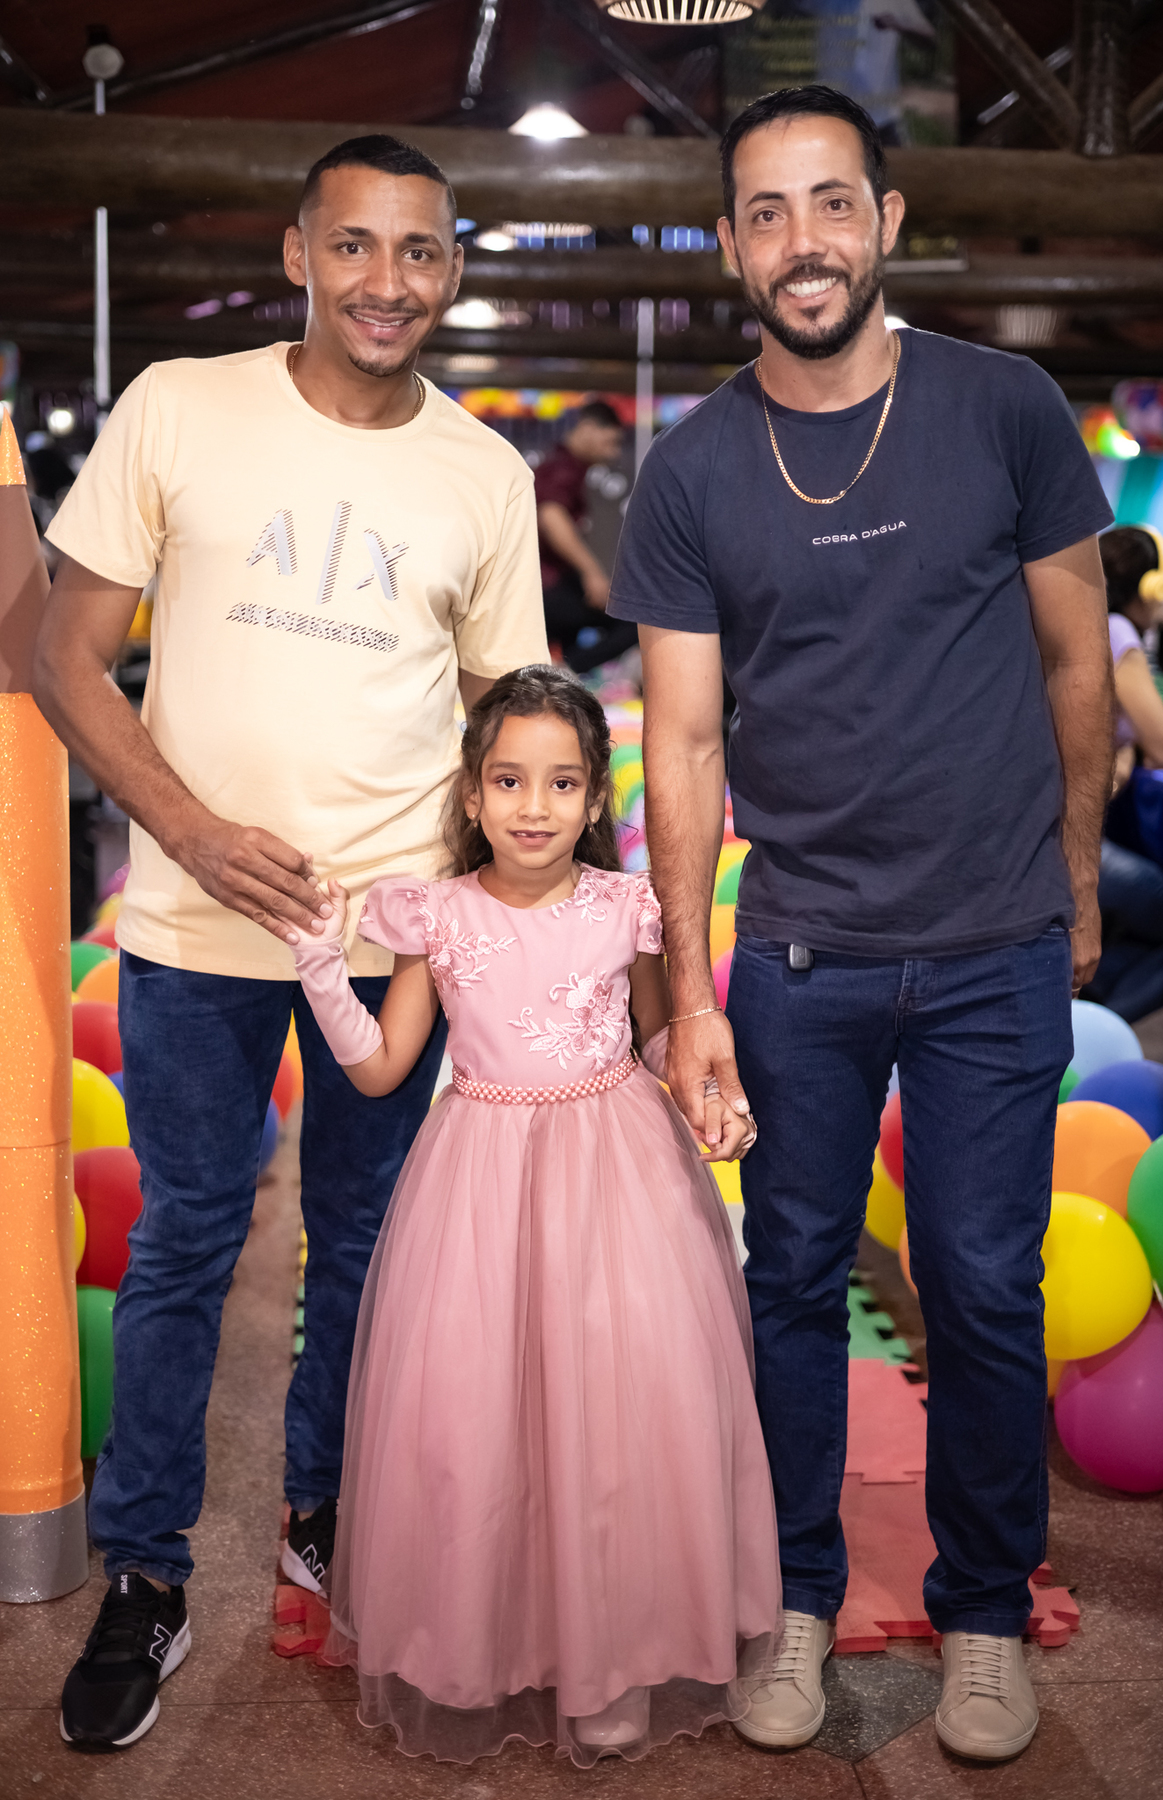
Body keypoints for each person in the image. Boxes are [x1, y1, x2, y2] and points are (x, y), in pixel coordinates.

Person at [608, 85, 1115, 1763]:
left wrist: (1073, 884)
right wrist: (693, 994)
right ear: (728, 247)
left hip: (991, 944)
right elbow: (684, 745)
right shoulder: (694, 471)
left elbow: (1076, 666)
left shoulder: (1005, 408)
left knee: (980, 1287)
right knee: (793, 1283)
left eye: (831, 202)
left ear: (887, 221)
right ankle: (795, 1600)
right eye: (765, 212)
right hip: (801, 954)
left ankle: (983, 1613)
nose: (802, 241)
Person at [35, 133, 549, 1751]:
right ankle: (147, 1574)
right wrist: (187, 830)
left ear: (451, 270)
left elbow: (507, 722)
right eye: (355, 245)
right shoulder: (181, 407)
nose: (387, 282)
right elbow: (58, 652)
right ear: (298, 253)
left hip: (389, 937)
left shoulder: (484, 473)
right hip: (196, 923)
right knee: (187, 1241)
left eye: (420, 251)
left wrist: (503, 926)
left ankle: (327, 1514)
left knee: (368, 1248)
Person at [278, 666, 780, 1766]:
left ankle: (612, 1658)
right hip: (481, 1183)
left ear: (596, 796)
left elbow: (658, 1039)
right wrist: (321, 973)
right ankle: (495, 1640)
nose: (534, 806)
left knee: (618, 1415)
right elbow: (383, 1067)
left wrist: (709, 1095)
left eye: (561, 782)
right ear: (471, 794)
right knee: (483, 1416)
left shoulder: (627, 908)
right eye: (508, 781)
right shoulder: (436, 916)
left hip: (617, 1175)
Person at [1084, 526, 1163, 1021]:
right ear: (1149, 587)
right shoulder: (1117, 630)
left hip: (1049, 839)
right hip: (1084, 844)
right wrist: (1128, 749)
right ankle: (1096, 1033)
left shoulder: (1083, 623)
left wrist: (1124, 746)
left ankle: (1093, 1013)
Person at [536, 401, 639, 673]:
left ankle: (563, 673)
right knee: (631, 622)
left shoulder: (565, 466)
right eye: (611, 442)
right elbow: (551, 517)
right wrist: (591, 572)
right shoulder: (561, 467)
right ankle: (565, 670)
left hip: (554, 584)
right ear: (589, 428)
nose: (614, 452)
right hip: (547, 586)